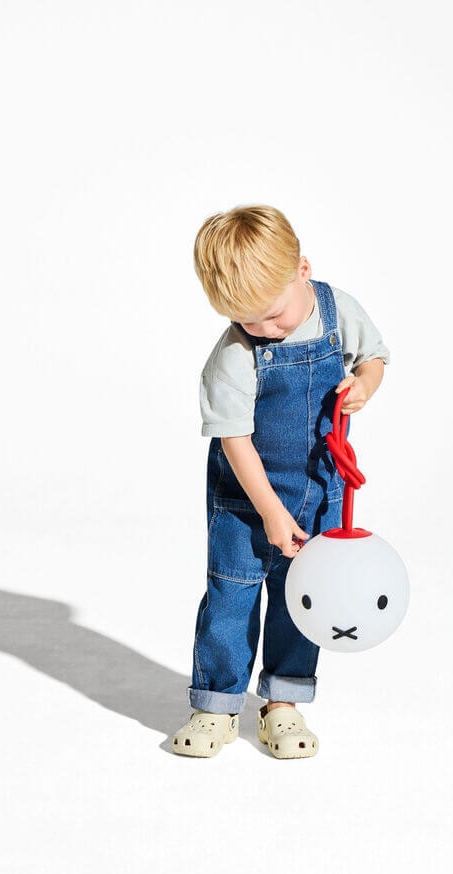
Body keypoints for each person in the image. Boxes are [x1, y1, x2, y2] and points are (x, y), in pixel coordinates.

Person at [172, 205, 390, 759]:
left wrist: (365, 384)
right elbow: (234, 440)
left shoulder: (338, 312)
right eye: (248, 322)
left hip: (317, 490)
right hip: (244, 502)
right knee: (231, 597)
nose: (267, 330)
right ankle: (217, 704)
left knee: (302, 599)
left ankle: (283, 703)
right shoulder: (233, 355)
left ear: (302, 270)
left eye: (273, 314)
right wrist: (270, 511)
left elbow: (374, 357)